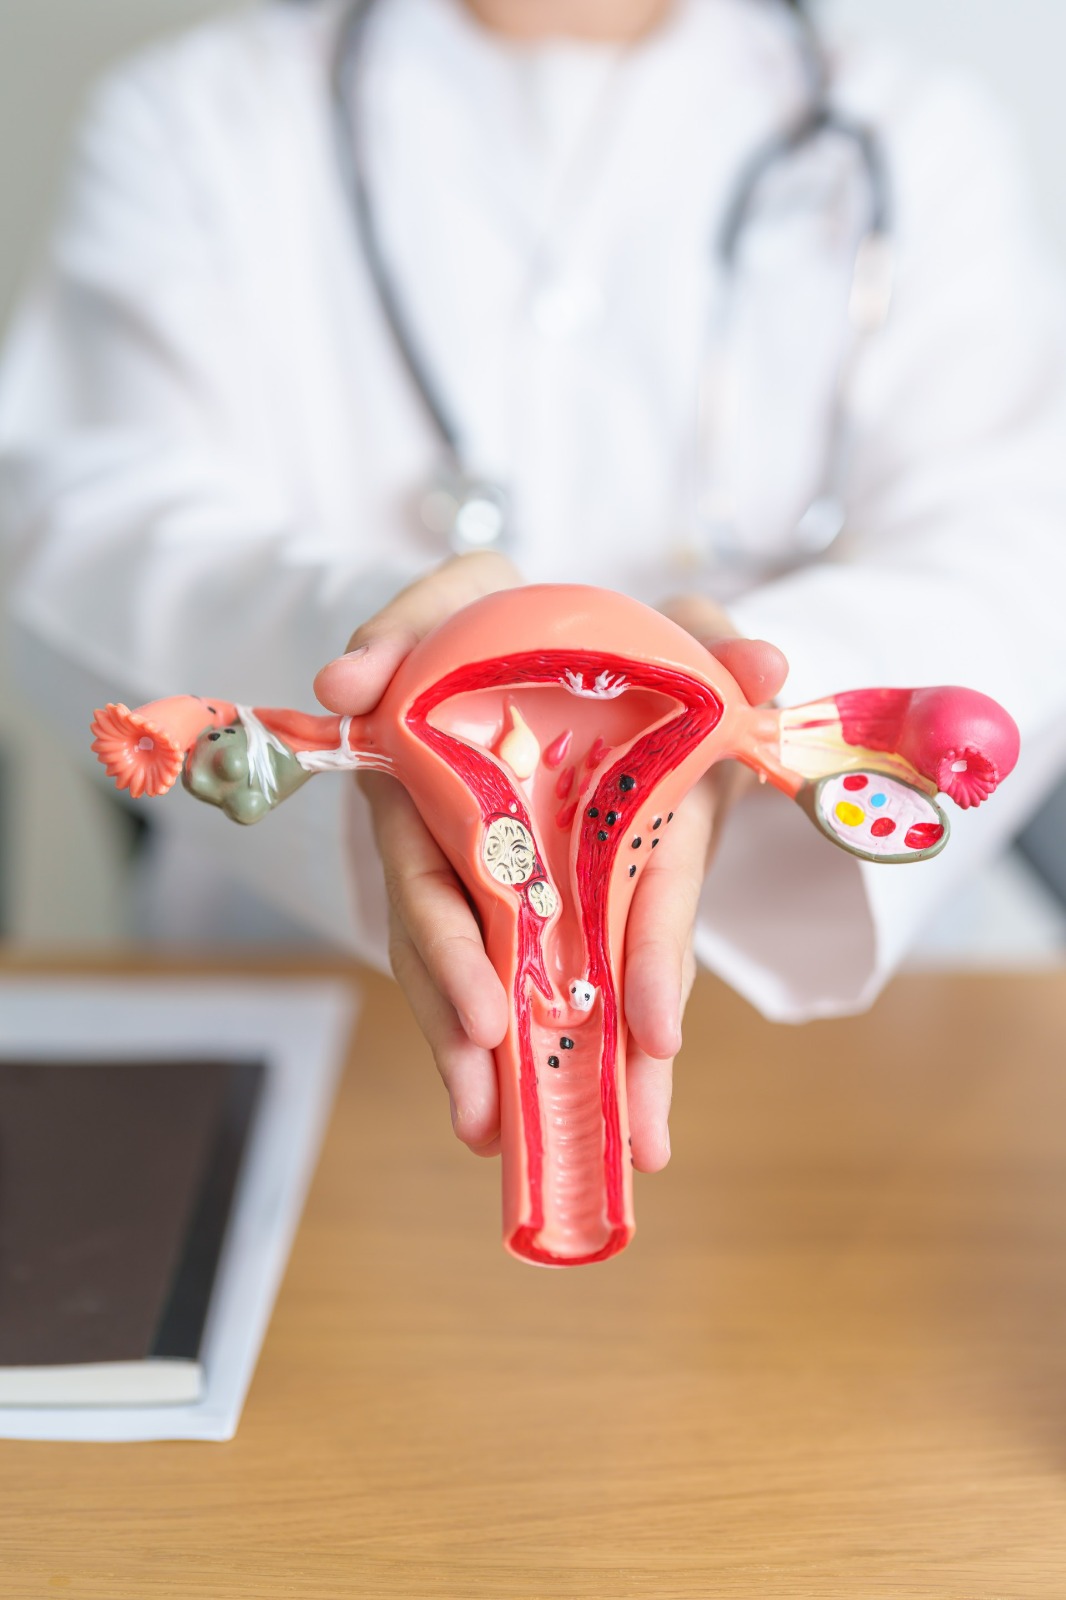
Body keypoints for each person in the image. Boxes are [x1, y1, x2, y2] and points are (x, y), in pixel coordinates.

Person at [3, 0, 1066, 1171]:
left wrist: (727, 694)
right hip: (315, 1068)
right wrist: (400, 666)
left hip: (860, 1100)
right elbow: (78, 526)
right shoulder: (199, 120)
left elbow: (1018, 554)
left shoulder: (918, 135)